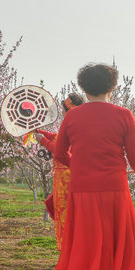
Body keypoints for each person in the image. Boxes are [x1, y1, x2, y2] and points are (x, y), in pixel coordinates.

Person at [41, 64, 135, 270]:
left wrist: (78, 165)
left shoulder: (72, 117)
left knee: (85, 243)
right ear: (112, 87)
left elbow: (60, 153)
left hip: (82, 190)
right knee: (118, 247)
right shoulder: (124, 115)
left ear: (84, 88)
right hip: (114, 190)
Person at [35, 93, 85, 250]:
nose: (62, 113)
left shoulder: (72, 125)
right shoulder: (78, 124)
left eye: (63, 110)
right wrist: (41, 133)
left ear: (67, 110)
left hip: (67, 178)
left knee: (66, 213)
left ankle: (69, 252)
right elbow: (59, 138)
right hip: (69, 176)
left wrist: (42, 140)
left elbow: (60, 150)